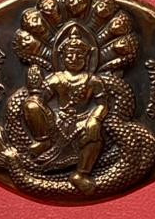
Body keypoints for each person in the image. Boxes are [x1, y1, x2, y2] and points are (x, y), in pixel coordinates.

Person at [23, 25, 108, 194]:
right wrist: (35, 88)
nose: (74, 59)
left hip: (82, 120)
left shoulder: (93, 81)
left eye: (79, 55)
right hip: (57, 120)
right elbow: (41, 99)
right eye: (70, 55)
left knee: (95, 137)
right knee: (31, 105)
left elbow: (102, 104)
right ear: (62, 57)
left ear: (87, 58)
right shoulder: (56, 78)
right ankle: (43, 141)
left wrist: (95, 119)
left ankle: (81, 173)